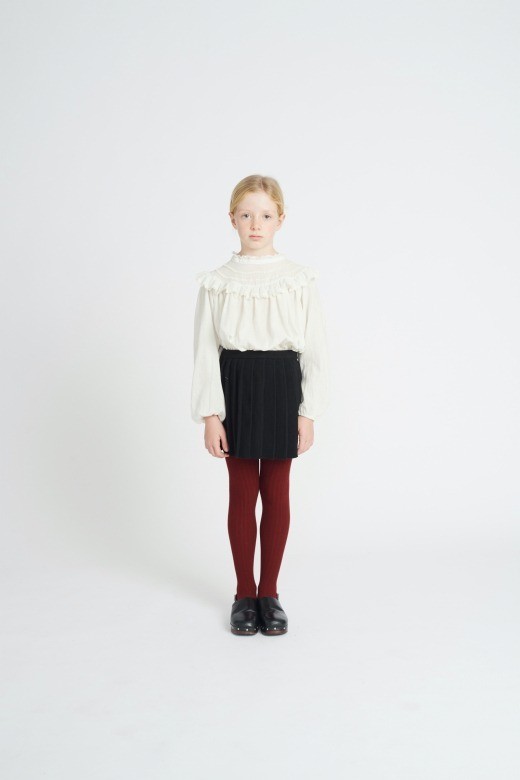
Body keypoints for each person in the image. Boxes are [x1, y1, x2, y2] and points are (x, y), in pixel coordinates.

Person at [190, 174, 329, 636]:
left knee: (277, 491)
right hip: (236, 385)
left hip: (282, 385)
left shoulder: (297, 279)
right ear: (232, 218)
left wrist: (307, 411)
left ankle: (269, 592)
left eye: (265, 215)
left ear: (280, 220)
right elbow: (204, 351)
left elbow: (316, 348)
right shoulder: (217, 283)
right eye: (246, 215)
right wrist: (211, 415)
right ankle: (243, 594)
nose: (255, 224)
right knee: (242, 492)